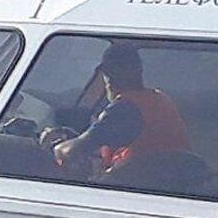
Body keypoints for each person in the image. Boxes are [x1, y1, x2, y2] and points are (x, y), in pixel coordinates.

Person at [44, 43, 192, 184]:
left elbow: (71, 151)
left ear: (108, 76)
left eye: (107, 72)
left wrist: (53, 146)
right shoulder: (158, 99)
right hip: (167, 182)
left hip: (141, 187)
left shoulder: (125, 108)